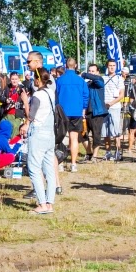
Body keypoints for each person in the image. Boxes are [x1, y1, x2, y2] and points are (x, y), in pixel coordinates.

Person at [19, 68, 58, 213]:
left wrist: (25, 101)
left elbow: (31, 115)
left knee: (34, 168)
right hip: (50, 134)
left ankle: (42, 204)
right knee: (49, 170)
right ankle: (49, 203)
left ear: (37, 79)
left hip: (38, 133)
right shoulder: (50, 92)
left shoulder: (37, 95)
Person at [55, 58, 88, 172]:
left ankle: (60, 163)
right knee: (74, 138)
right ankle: (73, 164)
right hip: (76, 111)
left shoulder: (59, 80)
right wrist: (83, 108)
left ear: (65, 65)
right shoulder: (81, 80)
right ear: (76, 65)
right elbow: (85, 96)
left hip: (62, 112)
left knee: (60, 138)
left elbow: (56, 96)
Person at [79, 64, 106, 162]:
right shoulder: (87, 84)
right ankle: (89, 153)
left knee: (96, 134)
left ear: (98, 72)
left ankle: (95, 156)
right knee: (82, 133)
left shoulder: (100, 80)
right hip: (86, 112)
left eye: (93, 71)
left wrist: (84, 74)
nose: (90, 73)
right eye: (89, 71)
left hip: (97, 112)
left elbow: (97, 79)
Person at [101, 59, 123, 161]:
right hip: (104, 108)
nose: (112, 67)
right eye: (110, 65)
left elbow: (121, 95)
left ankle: (118, 151)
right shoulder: (103, 78)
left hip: (115, 107)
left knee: (116, 130)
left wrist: (111, 103)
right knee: (105, 131)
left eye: (114, 65)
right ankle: (108, 152)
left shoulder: (119, 78)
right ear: (107, 66)